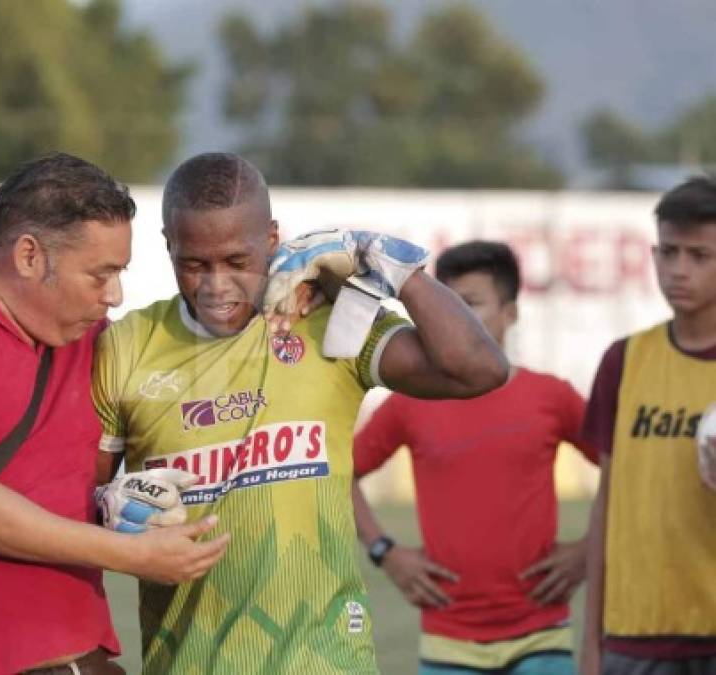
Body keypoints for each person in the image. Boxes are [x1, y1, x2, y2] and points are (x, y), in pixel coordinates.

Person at [91, 152, 509, 673]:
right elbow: (74, 508)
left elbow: (480, 370)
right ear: (168, 244)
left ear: (271, 240)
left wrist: (390, 265)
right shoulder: (126, 348)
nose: (216, 285)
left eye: (237, 262)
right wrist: (106, 510)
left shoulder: (328, 322)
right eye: (194, 263)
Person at [0, 152, 230, 675]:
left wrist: (121, 505)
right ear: (28, 255)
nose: (114, 296)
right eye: (100, 274)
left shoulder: (91, 336)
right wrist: (131, 556)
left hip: (82, 658)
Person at [352, 240, 598, 675]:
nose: (457, 320)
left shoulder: (551, 396)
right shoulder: (408, 404)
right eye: (448, 306)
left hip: (543, 634)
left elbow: (627, 470)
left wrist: (590, 548)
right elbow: (338, 473)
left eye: (471, 304)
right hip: (448, 640)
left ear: (511, 312)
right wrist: (384, 550)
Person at [580, 177, 716, 675]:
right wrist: (592, 643)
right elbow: (606, 502)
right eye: (670, 252)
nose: (680, 270)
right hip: (634, 637)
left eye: (700, 255)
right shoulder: (624, 361)